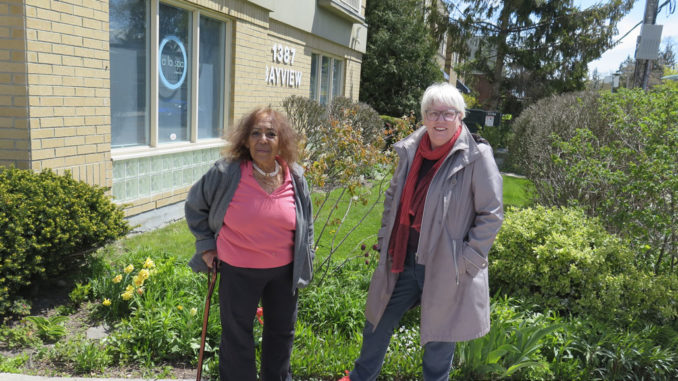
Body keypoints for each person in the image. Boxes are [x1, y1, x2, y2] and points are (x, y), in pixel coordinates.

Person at [340, 82, 503, 381]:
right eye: (433, 113)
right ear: (424, 117)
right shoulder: (411, 150)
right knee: (376, 321)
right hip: (403, 258)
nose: (439, 120)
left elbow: (491, 213)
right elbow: (393, 198)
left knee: (440, 341)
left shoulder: (476, 155)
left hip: (445, 264)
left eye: (447, 113)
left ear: (460, 116)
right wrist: (383, 238)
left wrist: (467, 259)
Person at [185, 106, 314, 381]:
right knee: (236, 337)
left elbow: (307, 223)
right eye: (256, 133)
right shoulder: (226, 173)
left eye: (271, 133)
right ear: (245, 139)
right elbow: (195, 206)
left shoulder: (296, 176)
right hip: (237, 270)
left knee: (281, 334)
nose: (263, 140)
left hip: (283, 272)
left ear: (282, 141)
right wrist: (207, 246)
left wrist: (306, 256)